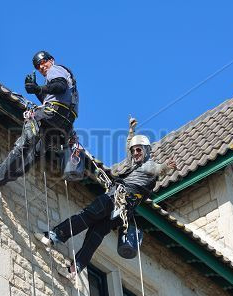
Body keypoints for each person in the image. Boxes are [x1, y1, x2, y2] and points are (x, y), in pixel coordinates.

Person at [35, 117, 177, 280]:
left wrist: (167, 167)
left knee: (86, 216)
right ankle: (75, 269)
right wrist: (131, 132)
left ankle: (53, 237)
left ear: (146, 151)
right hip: (121, 212)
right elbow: (129, 146)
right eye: (134, 150)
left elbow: (159, 169)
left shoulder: (148, 165)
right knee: (95, 235)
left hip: (115, 199)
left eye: (139, 150)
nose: (135, 153)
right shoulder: (136, 164)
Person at [0, 51, 78, 193]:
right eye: (37, 66)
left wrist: (39, 87)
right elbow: (54, 96)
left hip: (50, 115)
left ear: (51, 60)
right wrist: (36, 90)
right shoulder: (67, 81)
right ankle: (4, 177)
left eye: (43, 62)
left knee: (23, 145)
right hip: (63, 124)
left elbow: (60, 86)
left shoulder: (55, 69)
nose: (41, 67)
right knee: (34, 154)